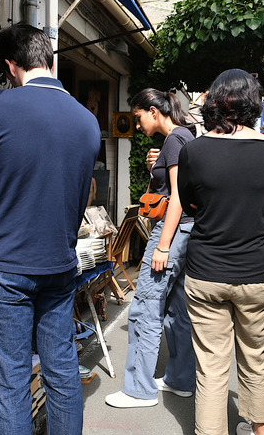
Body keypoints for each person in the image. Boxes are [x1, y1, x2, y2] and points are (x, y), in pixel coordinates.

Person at [0, 24, 99, 434]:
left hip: (6, 264)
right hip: (58, 263)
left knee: (10, 384)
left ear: (10, 66)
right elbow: (85, 192)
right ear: (51, 61)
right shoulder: (88, 121)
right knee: (62, 373)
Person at [177, 69, 264, 435]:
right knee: (255, 358)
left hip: (207, 271)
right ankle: (261, 432)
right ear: (253, 104)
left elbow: (190, 205)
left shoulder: (193, 151)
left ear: (213, 103)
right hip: (259, 271)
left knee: (210, 366)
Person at [105, 88, 196, 408]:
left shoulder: (174, 140)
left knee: (145, 308)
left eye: (139, 116)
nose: (138, 123)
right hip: (188, 230)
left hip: (173, 231)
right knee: (176, 310)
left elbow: (177, 197)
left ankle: (138, 389)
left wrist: (162, 245)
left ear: (154, 112)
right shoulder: (184, 136)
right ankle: (181, 379)